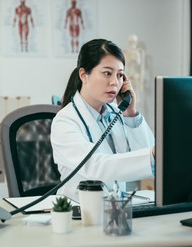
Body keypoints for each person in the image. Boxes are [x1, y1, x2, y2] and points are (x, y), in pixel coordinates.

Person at [50, 38, 155, 203]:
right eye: (107, 73)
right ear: (84, 75)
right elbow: (95, 166)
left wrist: (130, 114)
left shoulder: (117, 113)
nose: (115, 82)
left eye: (120, 75)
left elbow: (147, 155)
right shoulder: (65, 122)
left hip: (115, 208)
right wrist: (151, 156)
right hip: (78, 210)